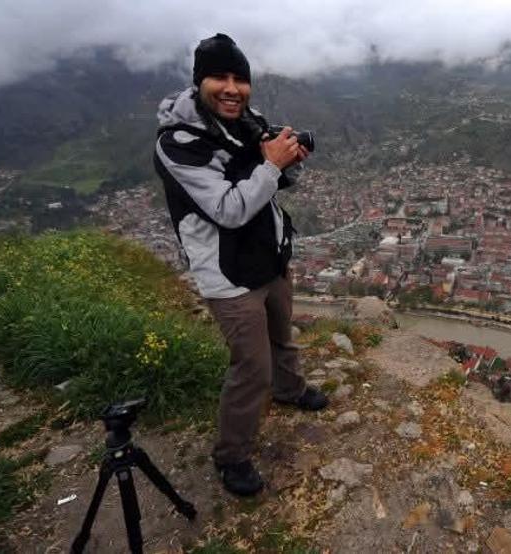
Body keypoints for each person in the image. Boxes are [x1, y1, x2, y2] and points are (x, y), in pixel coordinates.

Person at [153, 33, 328, 496]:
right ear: (199, 82)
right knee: (251, 368)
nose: (232, 89)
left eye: (240, 79)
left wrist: (287, 161)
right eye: (220, 78)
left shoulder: (249, 121)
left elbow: (274, 182)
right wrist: (270, 166)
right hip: (228, 275)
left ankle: (290, 390)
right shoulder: (179, 143)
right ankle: (232, 455)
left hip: (269, 255)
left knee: (282, 338)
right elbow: (228, 209)